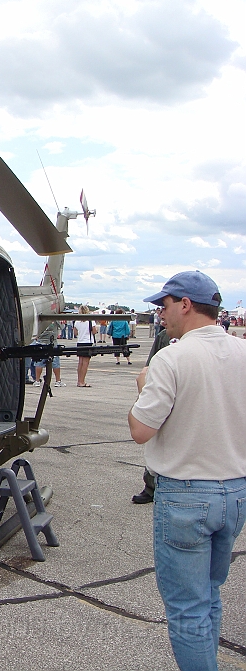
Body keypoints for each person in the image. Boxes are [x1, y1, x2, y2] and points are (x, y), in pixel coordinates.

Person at [128, 270, 246, 670]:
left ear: (185, 304)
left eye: (163, 305)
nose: (160, 314)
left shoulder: (172, 357)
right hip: (235, 491)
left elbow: (141, 430)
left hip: (186, 496)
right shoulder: (243, 351)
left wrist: (144, 387)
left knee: (186, 609)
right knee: (210, 594)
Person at [131, 321, 171, 505]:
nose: (162, 314)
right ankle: (151, 486)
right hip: (164, 396)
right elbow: (149, 367)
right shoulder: (164, 336)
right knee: (157, 440)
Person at [74, 306, 95, 387]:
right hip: (87, 342)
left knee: (80, 362)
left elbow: (75, 333)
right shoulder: (90, 321)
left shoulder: (77, 321)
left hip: (80, 342)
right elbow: (94, 331)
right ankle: (82, 381)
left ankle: (79, 380)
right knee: (85, 363)